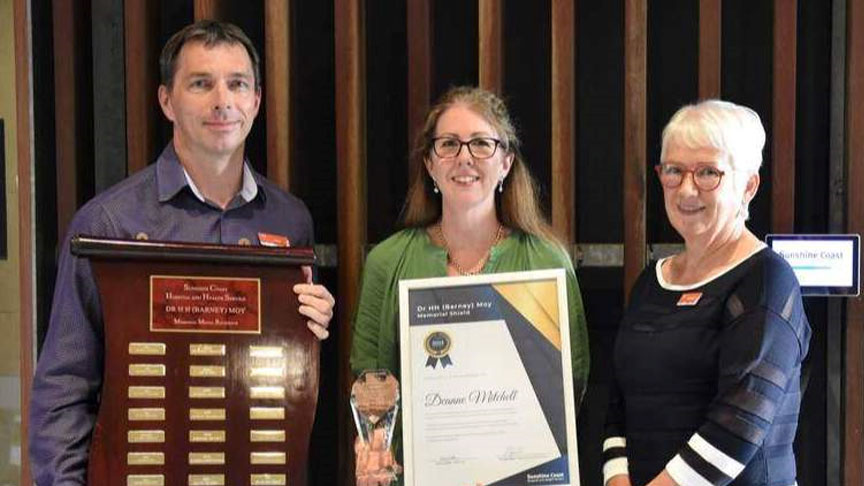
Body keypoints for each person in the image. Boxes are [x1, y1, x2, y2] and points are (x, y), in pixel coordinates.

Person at [28, 20, 335, 485]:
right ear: (166, 101)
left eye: (237, 84)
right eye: (200, 84)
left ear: (255, 100)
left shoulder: (290, 221)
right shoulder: (108, 224)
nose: (222, 101)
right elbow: (63, 387)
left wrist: (309, 332)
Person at [350, 86, 590, 482]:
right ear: (430, 163)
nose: (464, 157)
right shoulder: (387, 263)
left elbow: (572, 381)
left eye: (481, 144)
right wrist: (374, 452)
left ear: (506, 162)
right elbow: (372, 384)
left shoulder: (546, 261)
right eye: (448, 144)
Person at [602, 100, 811, 486]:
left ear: (749, 185)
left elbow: (738, 426)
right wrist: (617, 480)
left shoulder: (767, 281)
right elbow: (619, 401)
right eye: (674, 171)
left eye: (708, 173)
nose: (686, 189)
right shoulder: (652, 281)